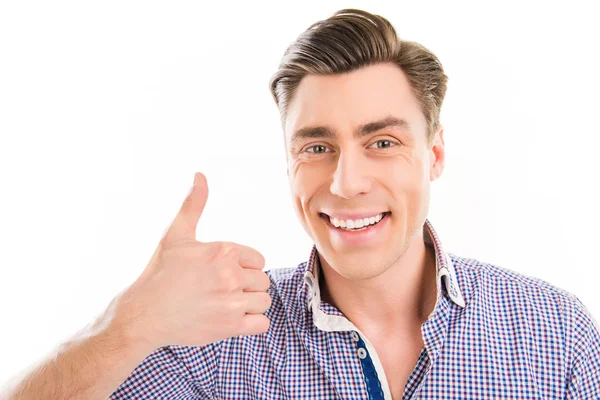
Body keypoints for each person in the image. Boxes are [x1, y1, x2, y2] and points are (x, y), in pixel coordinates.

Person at [2, 8, 599, 400]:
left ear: (435, 152)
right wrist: (129, 324)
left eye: (382, 141)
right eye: (317, 146)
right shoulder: (215, 345)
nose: (345, 182)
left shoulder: (555, 333)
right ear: (288, 162)